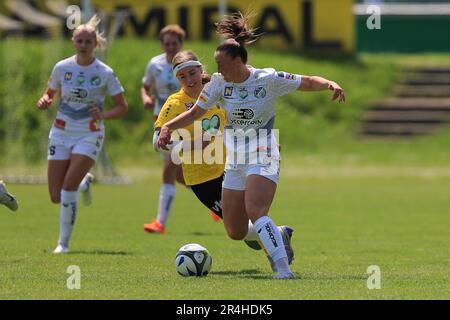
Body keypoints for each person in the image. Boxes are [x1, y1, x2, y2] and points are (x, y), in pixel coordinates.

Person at [157, 12, 346, 279]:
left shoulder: (267, 79)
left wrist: (328, 83)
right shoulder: (220, 85)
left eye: (220, 64)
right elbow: (194, 114)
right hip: (235, 157)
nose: (216, 71)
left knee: (257, 211)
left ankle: (283, 269)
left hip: (263, 150)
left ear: (238, 61)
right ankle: (279, 234)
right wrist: (167, 126)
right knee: (235, 230)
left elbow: (305, 81)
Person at [152, 50, 295, 269]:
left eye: (192, 73)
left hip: (234, 165)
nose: (189, 80)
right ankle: (278, 234)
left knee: (253, 216)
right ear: (177, 79)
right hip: (202, 179)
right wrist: (192, 146)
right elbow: (157, 141)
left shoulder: (221, 91)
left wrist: (266, 144)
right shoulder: (175, 103)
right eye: (183, 76)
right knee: (240, 230)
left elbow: (245, 120)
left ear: (201, 71)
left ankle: (278, 259)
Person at [36, 15, 128, 254]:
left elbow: (122, 106)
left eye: (88, 41)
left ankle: (63, 244)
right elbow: (50, 94)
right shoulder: (62, 67)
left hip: (89, 133)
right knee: (55, 196)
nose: (84, 45)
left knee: (67, 188)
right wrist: (45, 100)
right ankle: (84, 182)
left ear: (95, 44)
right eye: (80, 40)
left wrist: (103, 115)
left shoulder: (105, 72)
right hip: (60, 132)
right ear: (73, 41)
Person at [141, 25, 193, 234]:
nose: (171, 47)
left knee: (169, 171)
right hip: (162, 122)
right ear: (162, 44)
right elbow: (145, 86)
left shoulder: (188, 65)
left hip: (186, 123)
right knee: (180, 175)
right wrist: (146, 97)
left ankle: (160, 223)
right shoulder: (155, 65)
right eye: (167, 43)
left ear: (181, 44)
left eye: (175, 43)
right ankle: (217, 200)